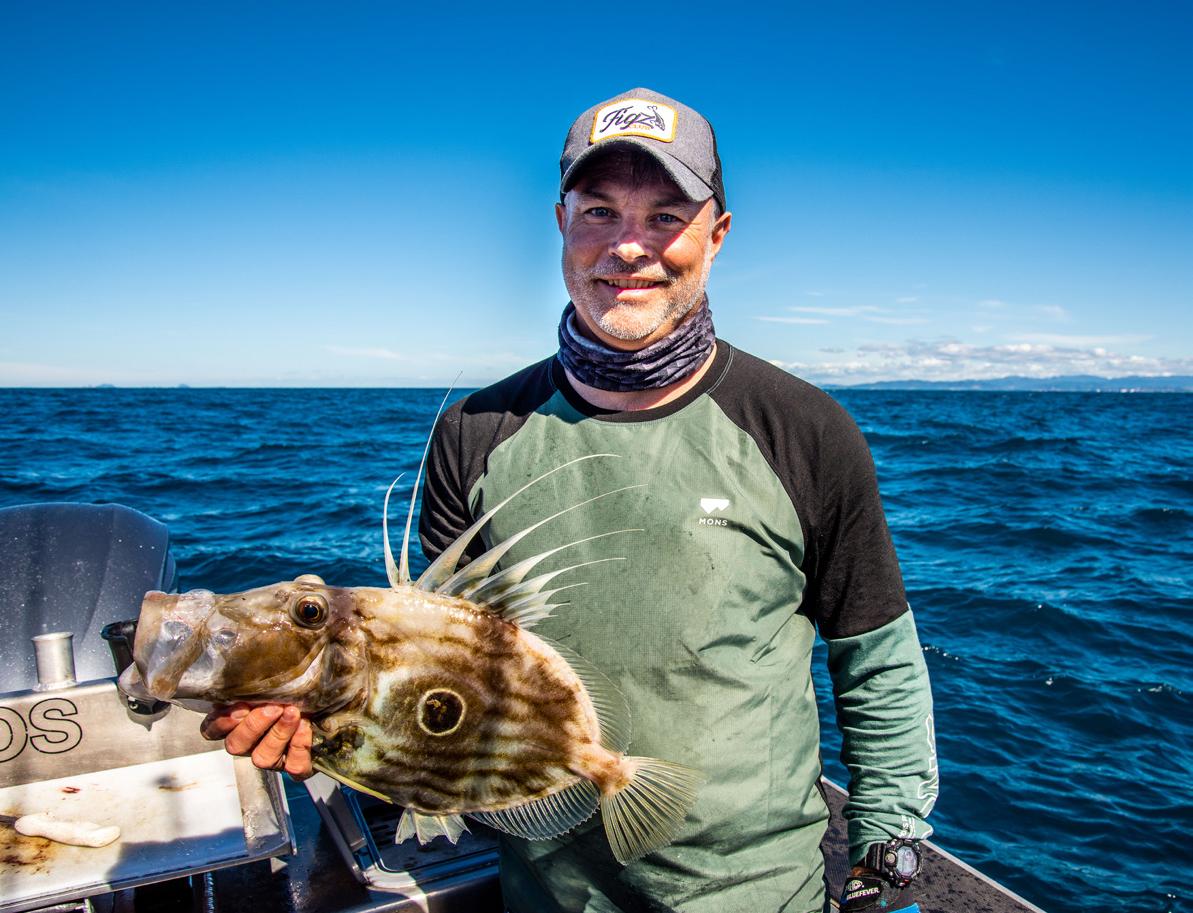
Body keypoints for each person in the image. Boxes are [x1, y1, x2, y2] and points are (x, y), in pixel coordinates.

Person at [203, 88, 938, 913]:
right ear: (560, 223)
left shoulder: (803, 428)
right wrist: (320, 718)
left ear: (717, 235)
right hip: (544, 890)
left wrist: (884, 864)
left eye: (666, 216)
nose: (628, 245)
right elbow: (434, 667)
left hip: (754, 891)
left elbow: (876, 662)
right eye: (598, 211)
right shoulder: (475, 430)